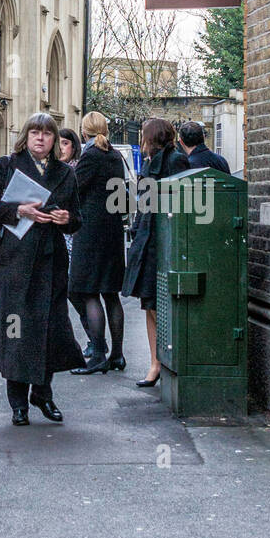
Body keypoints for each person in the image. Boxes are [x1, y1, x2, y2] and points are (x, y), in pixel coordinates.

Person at [0, 111, 85, 426]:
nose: (40, 138)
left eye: (47, 133)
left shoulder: (66, 173)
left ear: (54, 140)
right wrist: (17, 210)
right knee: (16, 332)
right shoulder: (6, 167)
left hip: (49, 264)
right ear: (26, 136)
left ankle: (43, 394)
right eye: (35, 132)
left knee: (48, 330)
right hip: (12, 264)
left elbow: (77, 218)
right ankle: (18, 403)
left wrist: (67, 220)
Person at [122, 117, 188, 387]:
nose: (141, 140)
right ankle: (155, 363)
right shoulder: (150, 163)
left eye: (143, 136)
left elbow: (181, 205)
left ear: (151, 137)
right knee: (149, 304)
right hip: (147, 241)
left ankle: (165, 361)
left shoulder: (175, 161)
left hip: (164, 243)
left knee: (162, 305)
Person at [67, 111, 128, 375]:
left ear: (84, 132)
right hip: (113, 232)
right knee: (111, 295)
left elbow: (73, 190)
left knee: (89, 292)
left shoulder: (90, 156)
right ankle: (117, 355)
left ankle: (98, 355)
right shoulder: (115, 156)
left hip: (90, 232)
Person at [58, 128, 92, 353]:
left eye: (65, 143)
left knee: (73, 290)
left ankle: (94, 339)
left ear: (74, 146)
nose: (61, 148)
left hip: (73, 236)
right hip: (55, 237)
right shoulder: (55, 170)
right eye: (58, 143)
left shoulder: (75, 170)